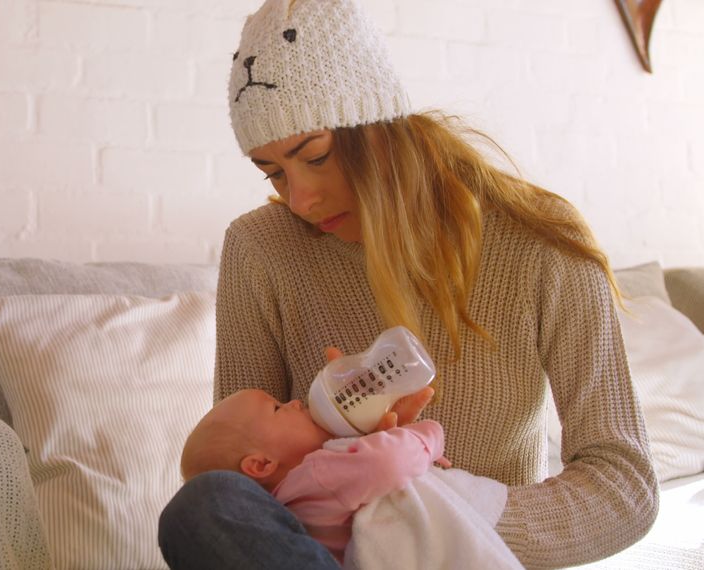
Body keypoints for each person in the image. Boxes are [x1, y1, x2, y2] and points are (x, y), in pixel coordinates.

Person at [157, 0, 658, 568]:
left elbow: (625, 486)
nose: (299, 199)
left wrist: (436, 524)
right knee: (203, 505)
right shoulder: (261, 246)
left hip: (474, 552)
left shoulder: (539, 243)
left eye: (315, 156)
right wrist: (330, 440)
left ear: (381, 130)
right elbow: (242, 482)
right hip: (325, 555)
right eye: (273, 172)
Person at [179, 388, 522, 569]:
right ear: (261, 464)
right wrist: (427, 436)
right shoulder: (319, 472)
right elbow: (388, 462)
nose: (296, 401)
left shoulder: (287, 508)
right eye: (278, 407)